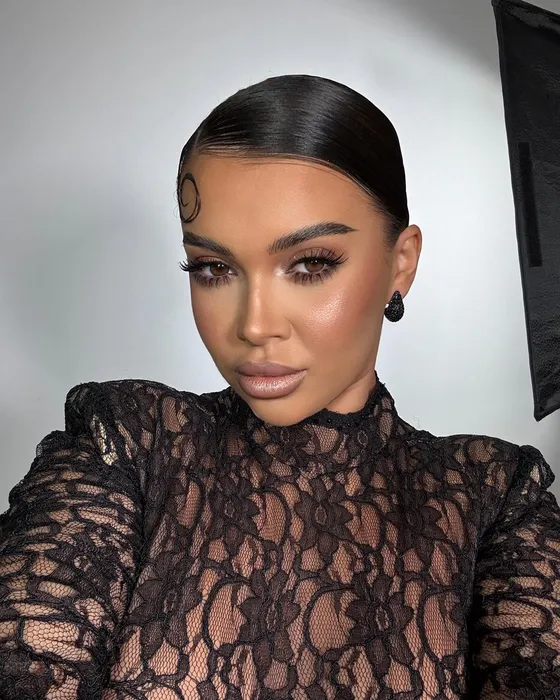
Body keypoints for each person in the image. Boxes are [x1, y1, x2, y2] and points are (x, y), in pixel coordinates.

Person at [0, 74, 559, 700]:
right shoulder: (127, 444)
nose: (254, 325)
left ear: (401, 262)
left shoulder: (494, 498)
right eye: (214, 268)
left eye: (310, 264)